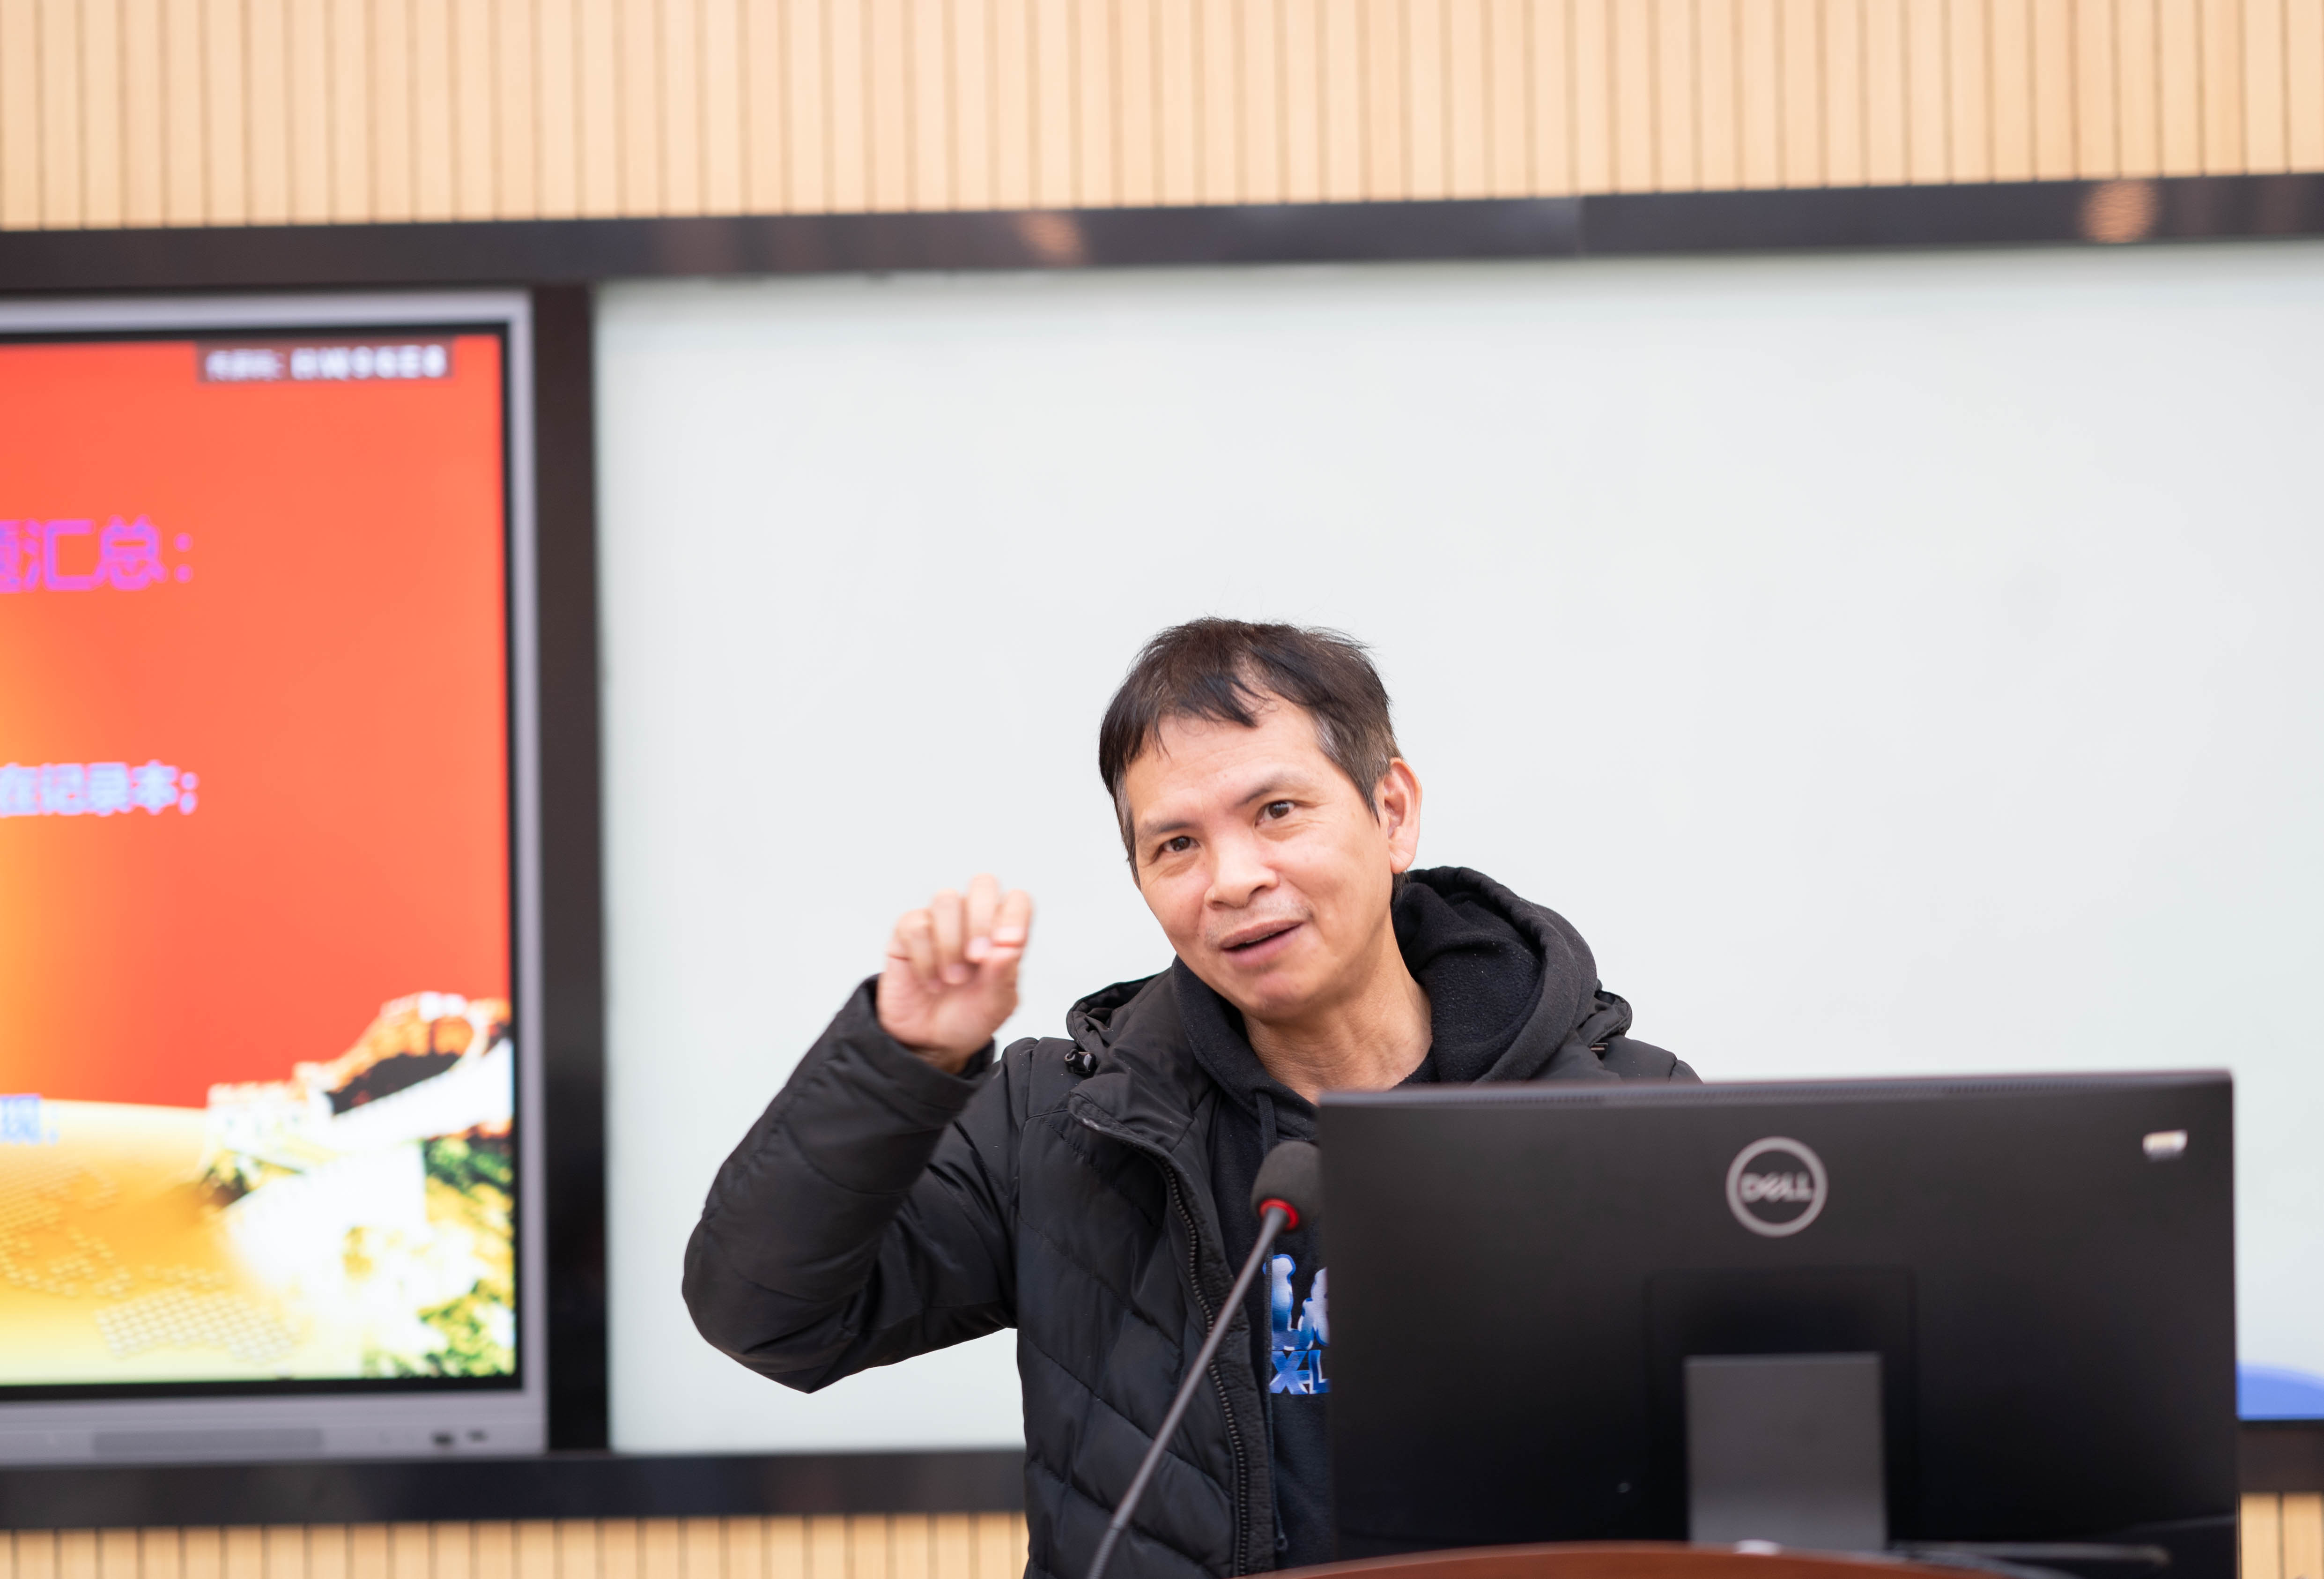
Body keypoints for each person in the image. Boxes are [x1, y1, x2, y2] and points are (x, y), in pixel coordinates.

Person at [684, 619, 1698, 1579]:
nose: (1232, 880)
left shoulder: (1626, 1109)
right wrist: (901, 1057)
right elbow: (767, 1314)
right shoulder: (1066, 1122)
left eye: (1277, 812)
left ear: (1391, 812)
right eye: (1175, 845)